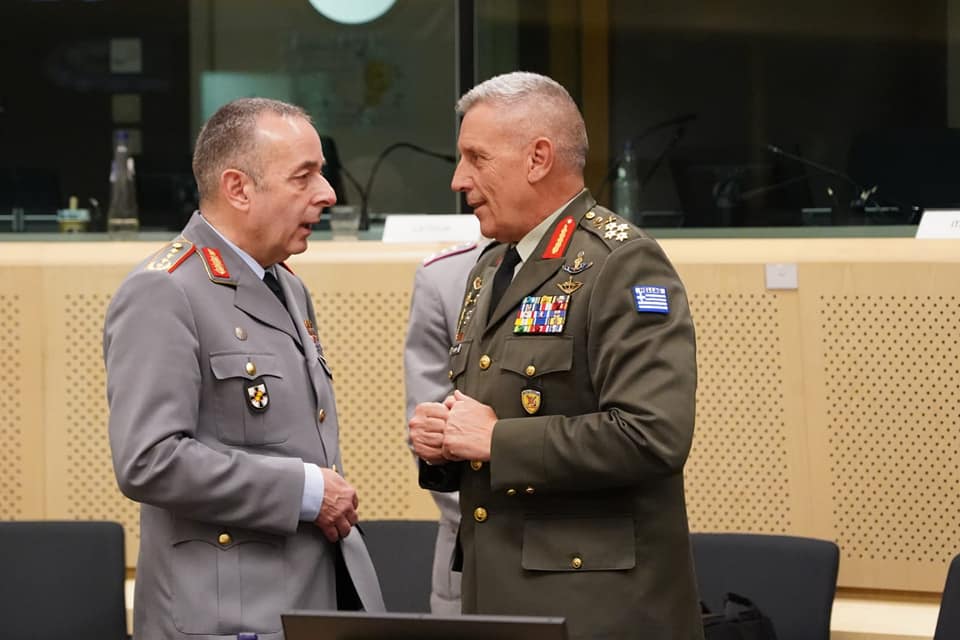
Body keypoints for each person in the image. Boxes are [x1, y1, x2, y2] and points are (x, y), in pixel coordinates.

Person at [408, 72, 703, 639]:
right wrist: (445, 442)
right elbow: (489, 418)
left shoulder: (621, 263)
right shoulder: (492, 267)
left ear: (538, 158)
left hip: (596, 611)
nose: (458, 179)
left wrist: (496, 440)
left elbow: (653, 435)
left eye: (476, 158)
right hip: (499, 596)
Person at [103, 97, 382, 640]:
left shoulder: (285, 283)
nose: (328, 193)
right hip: (226, 616)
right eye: (304, 176)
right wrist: (305, 490)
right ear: (238, 188)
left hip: (308, 597)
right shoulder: (164, 290)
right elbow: (149, 460)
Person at [404, 241, 485, 615]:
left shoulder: (604, 262)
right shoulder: (444, 277)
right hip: (469, 547)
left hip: (573, 551)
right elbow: (428, 430)